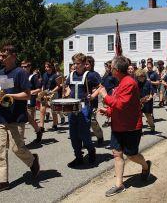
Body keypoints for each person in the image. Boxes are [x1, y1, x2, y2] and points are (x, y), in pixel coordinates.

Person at [0, 44, 40, 195]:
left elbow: (27, 94)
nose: (0, 58)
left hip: (17, 117)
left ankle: (32, 161)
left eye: (4, 56)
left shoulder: (20, 73)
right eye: (0, 56)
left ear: (14, 56)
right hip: (1, 116)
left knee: (17, 148)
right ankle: (2, 181)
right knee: (0, 151)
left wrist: (10, 96)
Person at [97, 56, 151, 197]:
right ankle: (119, 185)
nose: (110, 70)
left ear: (115, 70)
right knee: (117, 154)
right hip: (117, 126)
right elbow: (119, 103)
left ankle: (145, 166)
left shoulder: (129, 83)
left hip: (131, 126)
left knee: (131, 155)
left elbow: (120, 104)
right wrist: (108, 111)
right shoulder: (121, 82)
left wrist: (104, 96)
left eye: (111, 68)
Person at [64, 53, 99, 167]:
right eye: (74, 63)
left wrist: (93, 95)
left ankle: (91, 151)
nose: (75, 65)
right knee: (73, 134)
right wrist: (66, 93)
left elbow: (100, 87)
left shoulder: (90, 75)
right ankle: (78, 157)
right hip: (72, 106)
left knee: (84, 133)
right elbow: (69, 87)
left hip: (84, 106)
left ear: (84, 64)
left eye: (78, 63)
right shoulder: (71, 75)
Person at [21, 60, 42, 143]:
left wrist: (32, 92)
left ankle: (38, 131)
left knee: (29, 119)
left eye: (25, 66)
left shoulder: (32, 77)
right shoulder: (20, 76)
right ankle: (21, 139)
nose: (23, 68)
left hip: (30, 100)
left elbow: (39, 88)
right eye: (22, 66)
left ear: (29, 67)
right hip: (21, 100)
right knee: (22, 119)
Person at [85, 56, 104, 146]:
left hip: (93, 101)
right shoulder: (82, 74)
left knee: (92, 121)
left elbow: (100, 86)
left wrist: (94, 91)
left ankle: (100, 136)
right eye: (84, 64)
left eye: (87, 64)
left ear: (91, 64)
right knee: (85, 121)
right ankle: (86, 140)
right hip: (83, 101)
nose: (85, 66)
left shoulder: (95, 74)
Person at [38, 62, 59, 132]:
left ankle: (55, 124)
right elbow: (43, 85)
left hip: (53, 93)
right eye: (45, 67)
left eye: (47, 67)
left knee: (54, 110)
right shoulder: (44, 75)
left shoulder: (55, 75)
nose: (46, 68)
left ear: (51, 67)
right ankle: (41, 126)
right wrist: (41, 92)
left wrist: (52, 92)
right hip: (45, 93)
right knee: (42, 109)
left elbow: (58, 86)